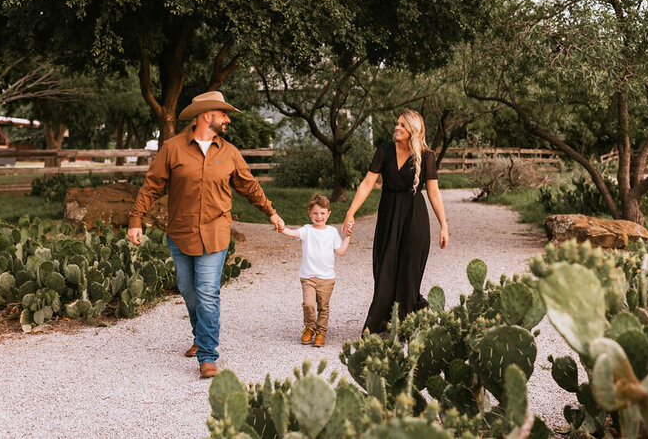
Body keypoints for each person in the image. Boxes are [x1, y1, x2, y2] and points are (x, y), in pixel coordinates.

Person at [127, 91, 285, 379]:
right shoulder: (172, 149)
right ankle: (199, 335)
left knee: (208, 294)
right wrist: (136, 218)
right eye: (223, 114)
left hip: (215, 232)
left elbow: (249, 186)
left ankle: (208, 355)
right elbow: (152, 185)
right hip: (180, 232)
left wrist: (271, 212)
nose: (227, 120)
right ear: (206, 116)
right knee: (189, 292)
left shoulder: (229, 153)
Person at [342, 109, 448, 335]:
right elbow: (367, 184)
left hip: (414, 217)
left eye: (402, 125)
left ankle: (405, 326)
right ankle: (379, 324)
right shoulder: (384, 152)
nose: (397, 128)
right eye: (397, 124)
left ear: (413, 130)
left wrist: (444, 226)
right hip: (388, 216)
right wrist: (351, 213)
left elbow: (434, 193)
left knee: (409, 272)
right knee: (385, 270)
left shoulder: (426, 156)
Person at [280, 193, 351, 348]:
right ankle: (309, 327)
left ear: (328, 214)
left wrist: (347, 237)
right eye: (315, 213)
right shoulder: (307, 230)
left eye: (322, 213)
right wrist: (282, 228)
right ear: (309, 213)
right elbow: (293, 233)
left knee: (323, 307)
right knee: (308, 304)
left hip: (327, 278)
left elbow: (340, 251)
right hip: (308, 277)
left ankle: (321, 332)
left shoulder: (332, 232)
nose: (319, 217)